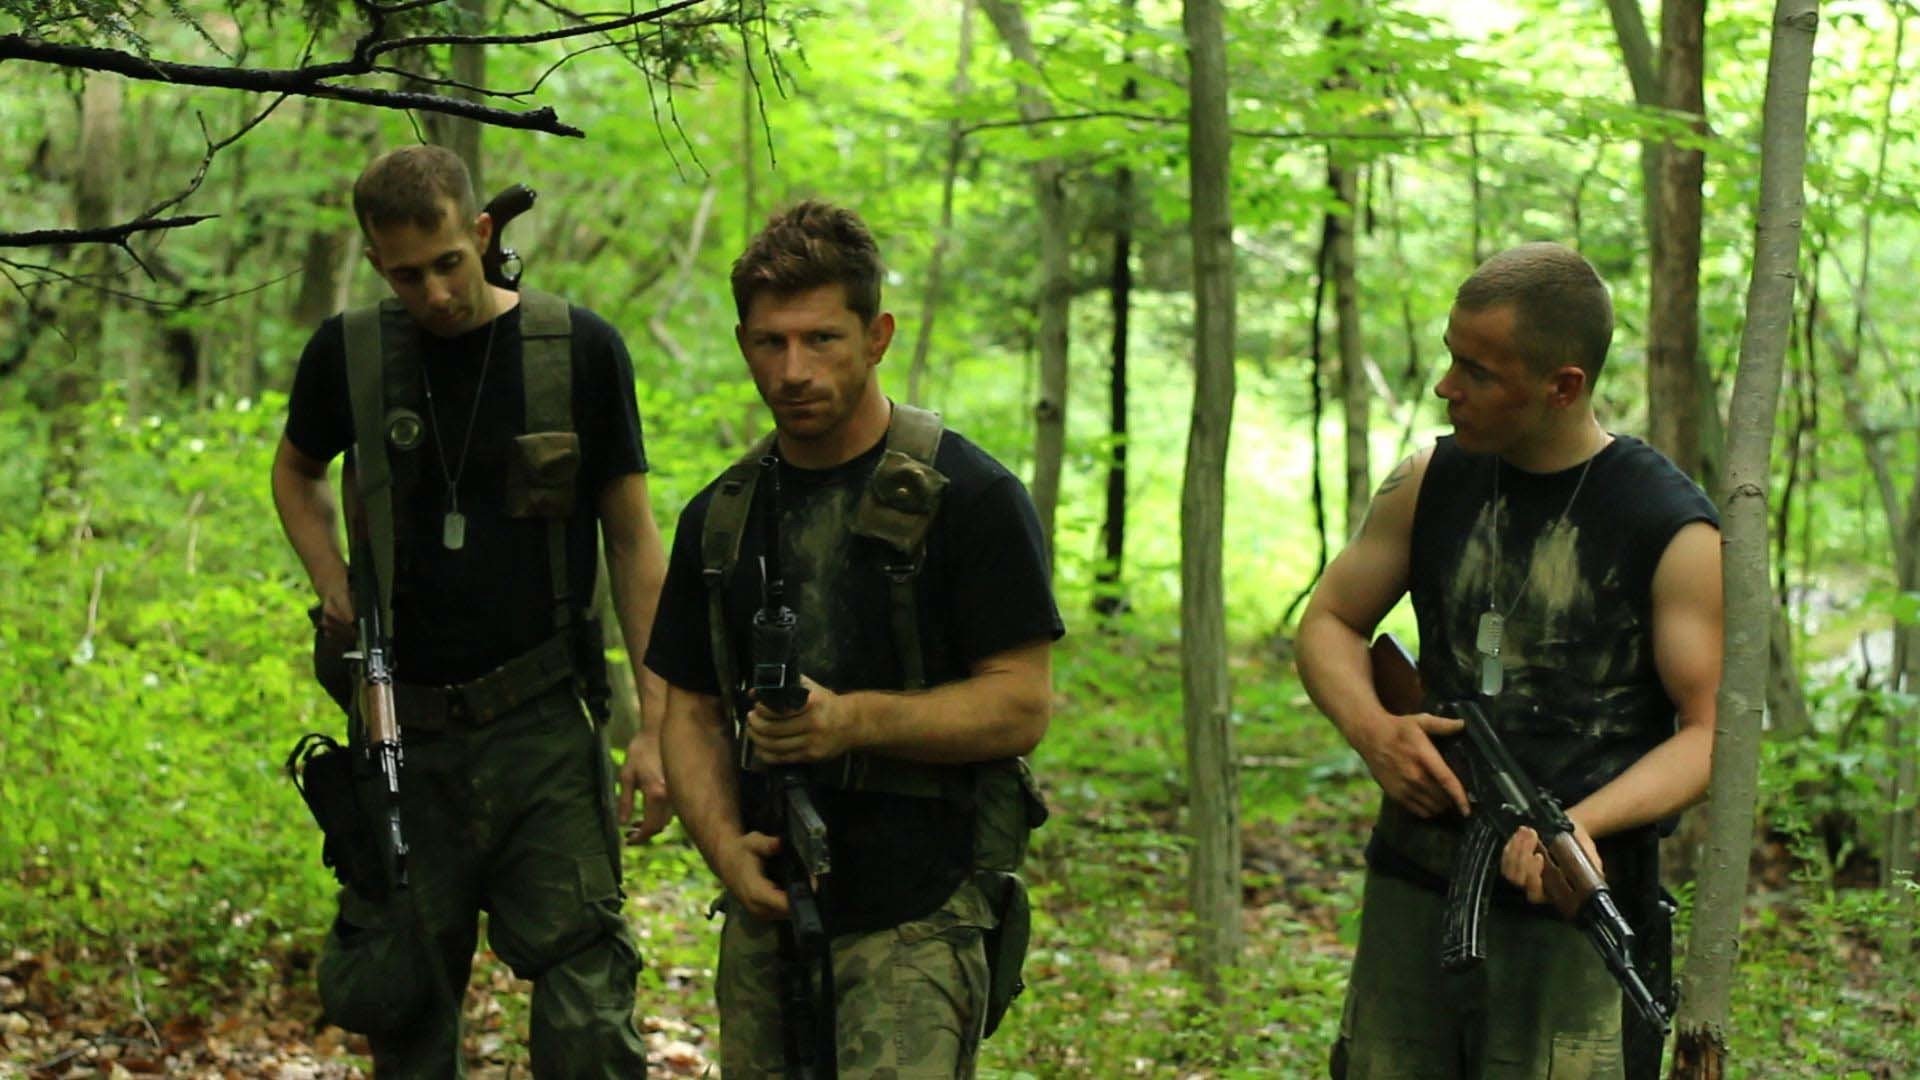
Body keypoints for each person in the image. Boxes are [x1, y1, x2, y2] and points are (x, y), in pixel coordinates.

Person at [270, 144, 669, 1077]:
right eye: (406, 274)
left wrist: (656, 725)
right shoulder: (349, 354)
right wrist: (330, 577)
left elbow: (633, 540)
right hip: (403, 728)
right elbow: (295, 471)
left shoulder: (579, 349)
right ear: (377, 262)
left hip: (543, 725)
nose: (436, 292)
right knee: (404, 1002)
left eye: (449, 262)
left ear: (482, 233)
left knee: (587, 1009)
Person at [647, 200, 1064, 1078]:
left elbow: (1021, 703)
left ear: (877, 337)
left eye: (821, 340)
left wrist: (849, 722)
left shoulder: (970, 497)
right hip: (769, 908)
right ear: (743, 343)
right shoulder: (720, 519)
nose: (793, 370)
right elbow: (688, 711)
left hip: (921, 905)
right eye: (770, 343)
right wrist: (725, 852)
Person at [1294, 242, 1723, 1079]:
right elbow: (1330, 621)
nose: (1444, 386)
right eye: (1451, 356)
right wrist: (1374, 731)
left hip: (1568, 906)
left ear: (1563, 385)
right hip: (1416, 884)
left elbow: (1711, 735)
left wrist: (1581, 826)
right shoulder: (1429, 480)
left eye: (1477, 372)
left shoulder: (1669, 526)